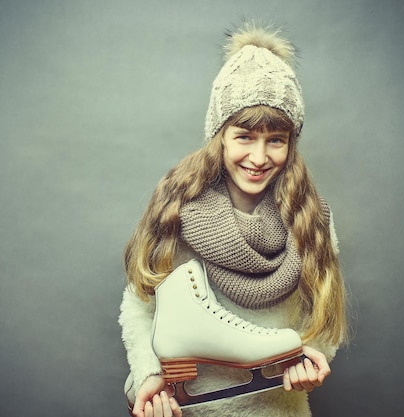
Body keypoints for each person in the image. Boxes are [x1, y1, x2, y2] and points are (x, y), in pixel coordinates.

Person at [119, 22, 348, 417]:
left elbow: (324, 313)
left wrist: (312, 355)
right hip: (191, 409)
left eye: (275, 139)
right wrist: (146, 375)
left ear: (291, 143)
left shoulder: (312, 217)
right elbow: (140, 304)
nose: (259, 158)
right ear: (219, 135)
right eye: (244, 136)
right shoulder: (178, 208)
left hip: (278, 409)